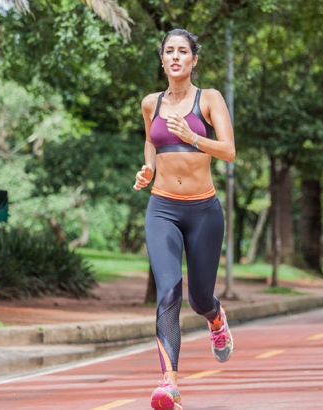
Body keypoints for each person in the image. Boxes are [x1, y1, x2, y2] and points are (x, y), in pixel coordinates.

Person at [133, 28, 236, 410]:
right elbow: (151, 140)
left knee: (198, 298)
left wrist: (193, 138)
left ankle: (215, 316)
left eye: (183, 51)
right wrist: (147, 168)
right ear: (162, 60)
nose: (175, 57)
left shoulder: (208, 99)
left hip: (203, 211)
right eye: (169, 51)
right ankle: (169, 385)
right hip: (162, 208)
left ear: (194, 59)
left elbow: (228, 151)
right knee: (168, 292)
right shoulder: (150, 103)